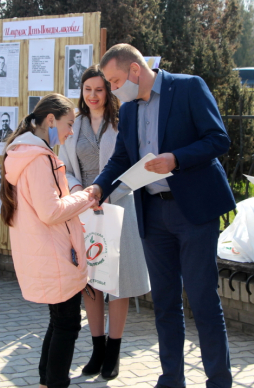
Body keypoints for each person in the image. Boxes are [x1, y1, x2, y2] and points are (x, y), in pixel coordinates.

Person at [89, 44, 235, 388]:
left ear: (135, 70)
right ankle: (171, 379)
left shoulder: (188, 87)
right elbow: (121, 158)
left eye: (115, 81)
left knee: (202, 300)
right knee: (165, 303)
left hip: (193, 212)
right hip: (153, 214)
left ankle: (219, 381)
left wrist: (176, 159)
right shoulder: (128, 110)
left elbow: (218, 139)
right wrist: (99, 187)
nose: (113, 90)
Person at [58, 65, 150, 380]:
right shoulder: (74, 124)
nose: (93, 95)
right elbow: (65, 167)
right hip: (84, 209)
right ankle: (97, 349)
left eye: (99, 89)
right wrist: (76, 191)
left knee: (118, 282)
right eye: (88, 90)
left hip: (118, 206)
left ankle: (114, 350)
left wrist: (110, 193)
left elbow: (134, 164)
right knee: (91, 281)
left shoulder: (122, 122)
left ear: (108, 91)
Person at [0, 93, 97, 388]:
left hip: (48, 252)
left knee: (59, 322)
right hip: (55, 254)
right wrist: (87, 196)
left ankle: (47, 382)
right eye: (69, 124)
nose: (71, 132)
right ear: (51, 120)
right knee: (67, 325)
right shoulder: (38, 158)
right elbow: (51, 211)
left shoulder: (26, 153)